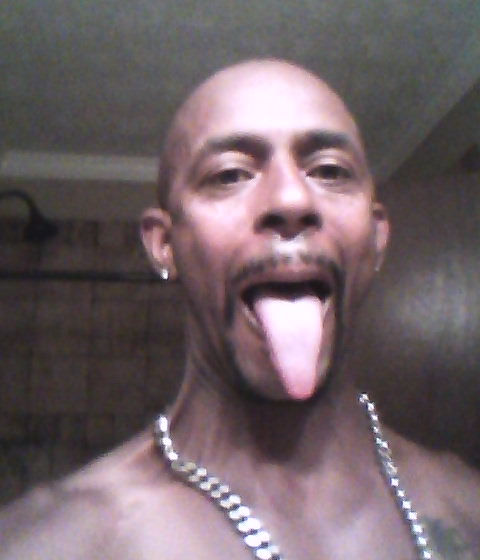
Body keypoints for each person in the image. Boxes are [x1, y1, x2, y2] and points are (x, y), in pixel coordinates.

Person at [1, 59, 479, 559]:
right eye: (229, 174)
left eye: (330, 171)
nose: (291, 199)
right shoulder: (60, 542)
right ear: (165, 245)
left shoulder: (462, 502)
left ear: (377, 238)